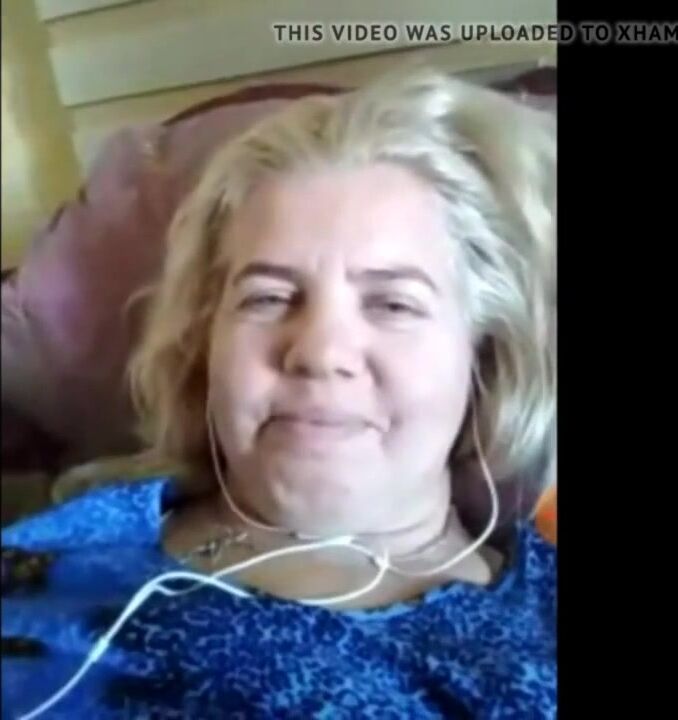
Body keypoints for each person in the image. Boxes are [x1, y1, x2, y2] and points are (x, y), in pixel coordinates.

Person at [1, 66, 557, 719]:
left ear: (484, 353)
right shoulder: (57, 545)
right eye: (268, 298)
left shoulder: (534, 645)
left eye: (392, 304)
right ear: (205, 341)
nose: (319, 352)